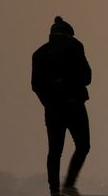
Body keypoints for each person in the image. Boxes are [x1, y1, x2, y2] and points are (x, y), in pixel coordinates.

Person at [32, 16, 92, 196]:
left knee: (55, 151)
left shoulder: (39, 53)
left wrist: (49, 102)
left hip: (53, 110)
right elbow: (87, 77)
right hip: (75, 105)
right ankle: (69, 184)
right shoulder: (75, 46)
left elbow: (36, 85)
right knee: (83, 146)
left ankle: (54, 191)